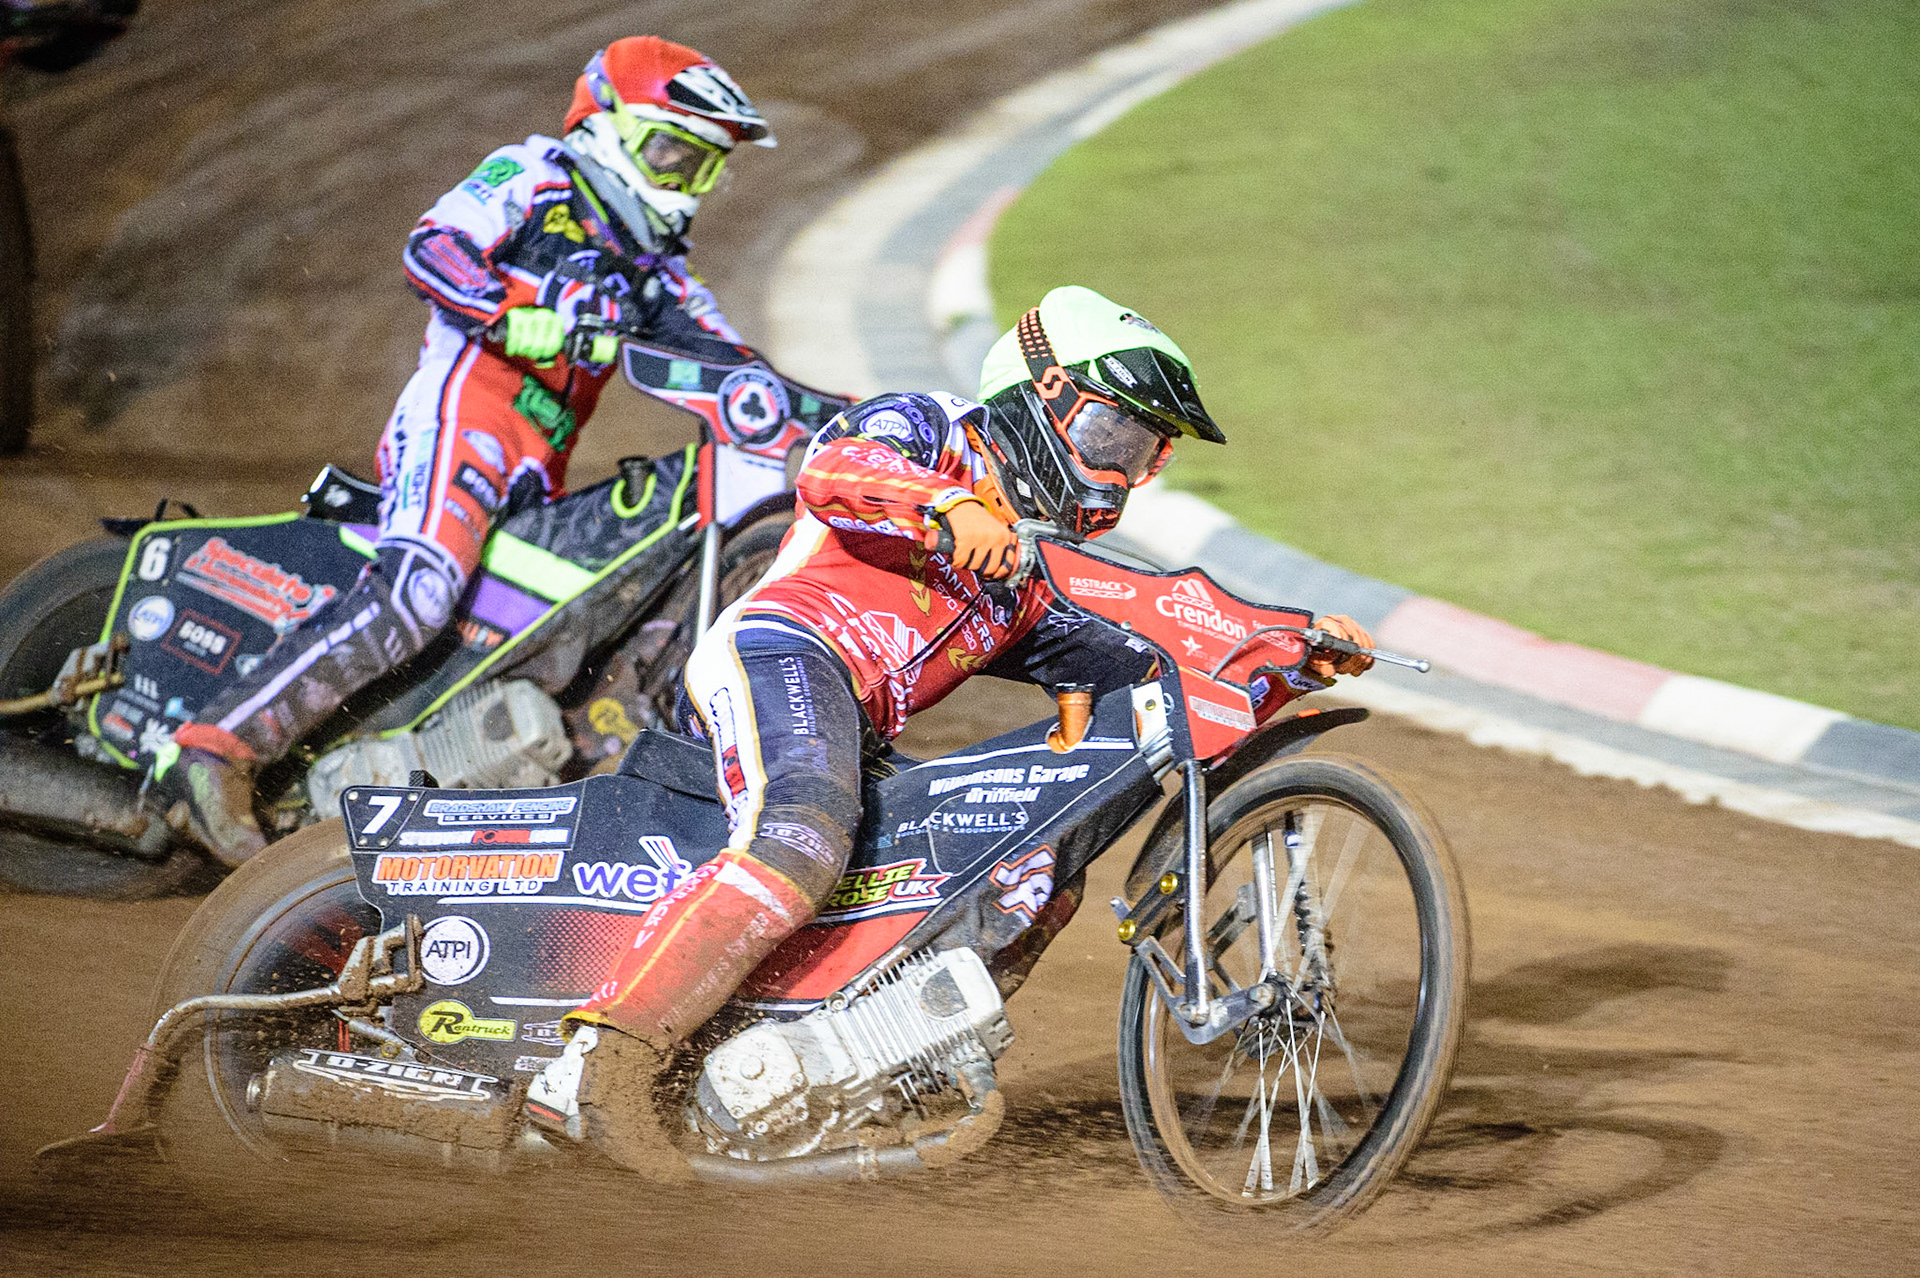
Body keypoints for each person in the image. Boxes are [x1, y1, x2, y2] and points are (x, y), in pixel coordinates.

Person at [524, 284, 1378, 1171]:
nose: (1120, 474)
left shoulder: (1028, 575)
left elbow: (1143, 666)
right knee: (802, 836)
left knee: (1031, 865)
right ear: (1042, 393)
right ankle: (598, 1066)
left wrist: (1280, 654)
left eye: (1144, 455)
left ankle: (868, 1060)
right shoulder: (931, 426)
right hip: (784, 651)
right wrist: (948, 507)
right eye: (1111, 439)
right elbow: (831, 474)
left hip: (860, 726)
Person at [155, 36, 815, 863]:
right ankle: (215, 749)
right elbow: (432, 248)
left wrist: (846, 418)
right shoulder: (534, 175)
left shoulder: (656, 274)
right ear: (606, 126)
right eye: (672, 153)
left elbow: (734, 367)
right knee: (422, 590)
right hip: (462, 415)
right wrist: (510, 312)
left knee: (529, 637)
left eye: (703, 167)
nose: (684, 183)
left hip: (538, 463)